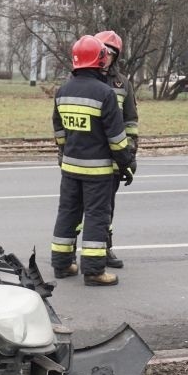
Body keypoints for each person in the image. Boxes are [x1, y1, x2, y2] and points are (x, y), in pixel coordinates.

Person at [45, 35, 134, 287]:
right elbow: (117, 139)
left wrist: (66, 154)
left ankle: (62, 265)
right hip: (98, 171)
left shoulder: (63, 91)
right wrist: (126, 164)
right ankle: (94, 271)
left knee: (68, 213)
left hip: (70, 167)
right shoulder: (105, 93)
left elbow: (59, 131)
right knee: (96, 216)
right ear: (101, 60)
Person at [94, 30, 139, 269]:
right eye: (104, 50)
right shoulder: (83, 79)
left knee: (106, 209)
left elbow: (130, 122)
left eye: (112, 53)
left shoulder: (122, 84)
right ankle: (67, 255)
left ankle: (105, 248)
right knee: (77, 208)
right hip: (87, 157)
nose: (107, 56)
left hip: (112, 159)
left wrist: (129, 156)